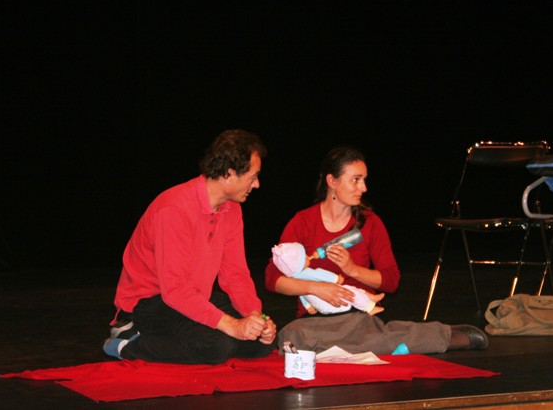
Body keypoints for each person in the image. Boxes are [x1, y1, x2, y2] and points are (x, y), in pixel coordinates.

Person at [264, 145, 488, 355]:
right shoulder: (303, 222)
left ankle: (444, 336)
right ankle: (402, 339)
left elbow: (391, 280)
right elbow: (273, 278)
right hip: (315, 321)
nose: (363, 188)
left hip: (356, 317)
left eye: (364, 180)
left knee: (362, 338)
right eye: (356, 180)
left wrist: (352, 270)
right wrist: (317, 288)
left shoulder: (370, 223)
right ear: (332, 181)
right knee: (292, 337)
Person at [103, 129, 277, 364]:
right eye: (252, 176)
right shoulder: (174, 209)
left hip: (192, 297)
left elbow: (235, 275)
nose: (256, 184)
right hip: (149, 304)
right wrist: (232, 326)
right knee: (218, 346)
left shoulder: (232, 209)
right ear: (229, 173)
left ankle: (211, 337)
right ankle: (128, 343)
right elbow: (174, 290)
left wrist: (255, 317)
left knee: (262, 343)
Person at [271, 242, 385, 316]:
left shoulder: (296, 280)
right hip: (334, 303)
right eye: (304, 257)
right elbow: (321, 275)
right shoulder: (308, 272)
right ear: (299, 264)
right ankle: (370, 308)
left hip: (322, 307)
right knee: (351, 293)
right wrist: (336, 279)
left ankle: (371, 297)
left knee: (351, 290)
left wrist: (308, 307)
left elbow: (302, 293)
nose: (307, 256)